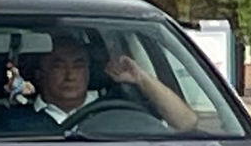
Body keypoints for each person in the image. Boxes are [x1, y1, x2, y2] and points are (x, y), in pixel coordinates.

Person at [18, 38, 204, 133]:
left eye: (78, 66)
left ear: (90, 72)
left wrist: (140, 77)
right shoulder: (7, 121)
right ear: (39, 74)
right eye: (58, 66)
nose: (70, 75)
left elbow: (186, 123)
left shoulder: (123, 109)